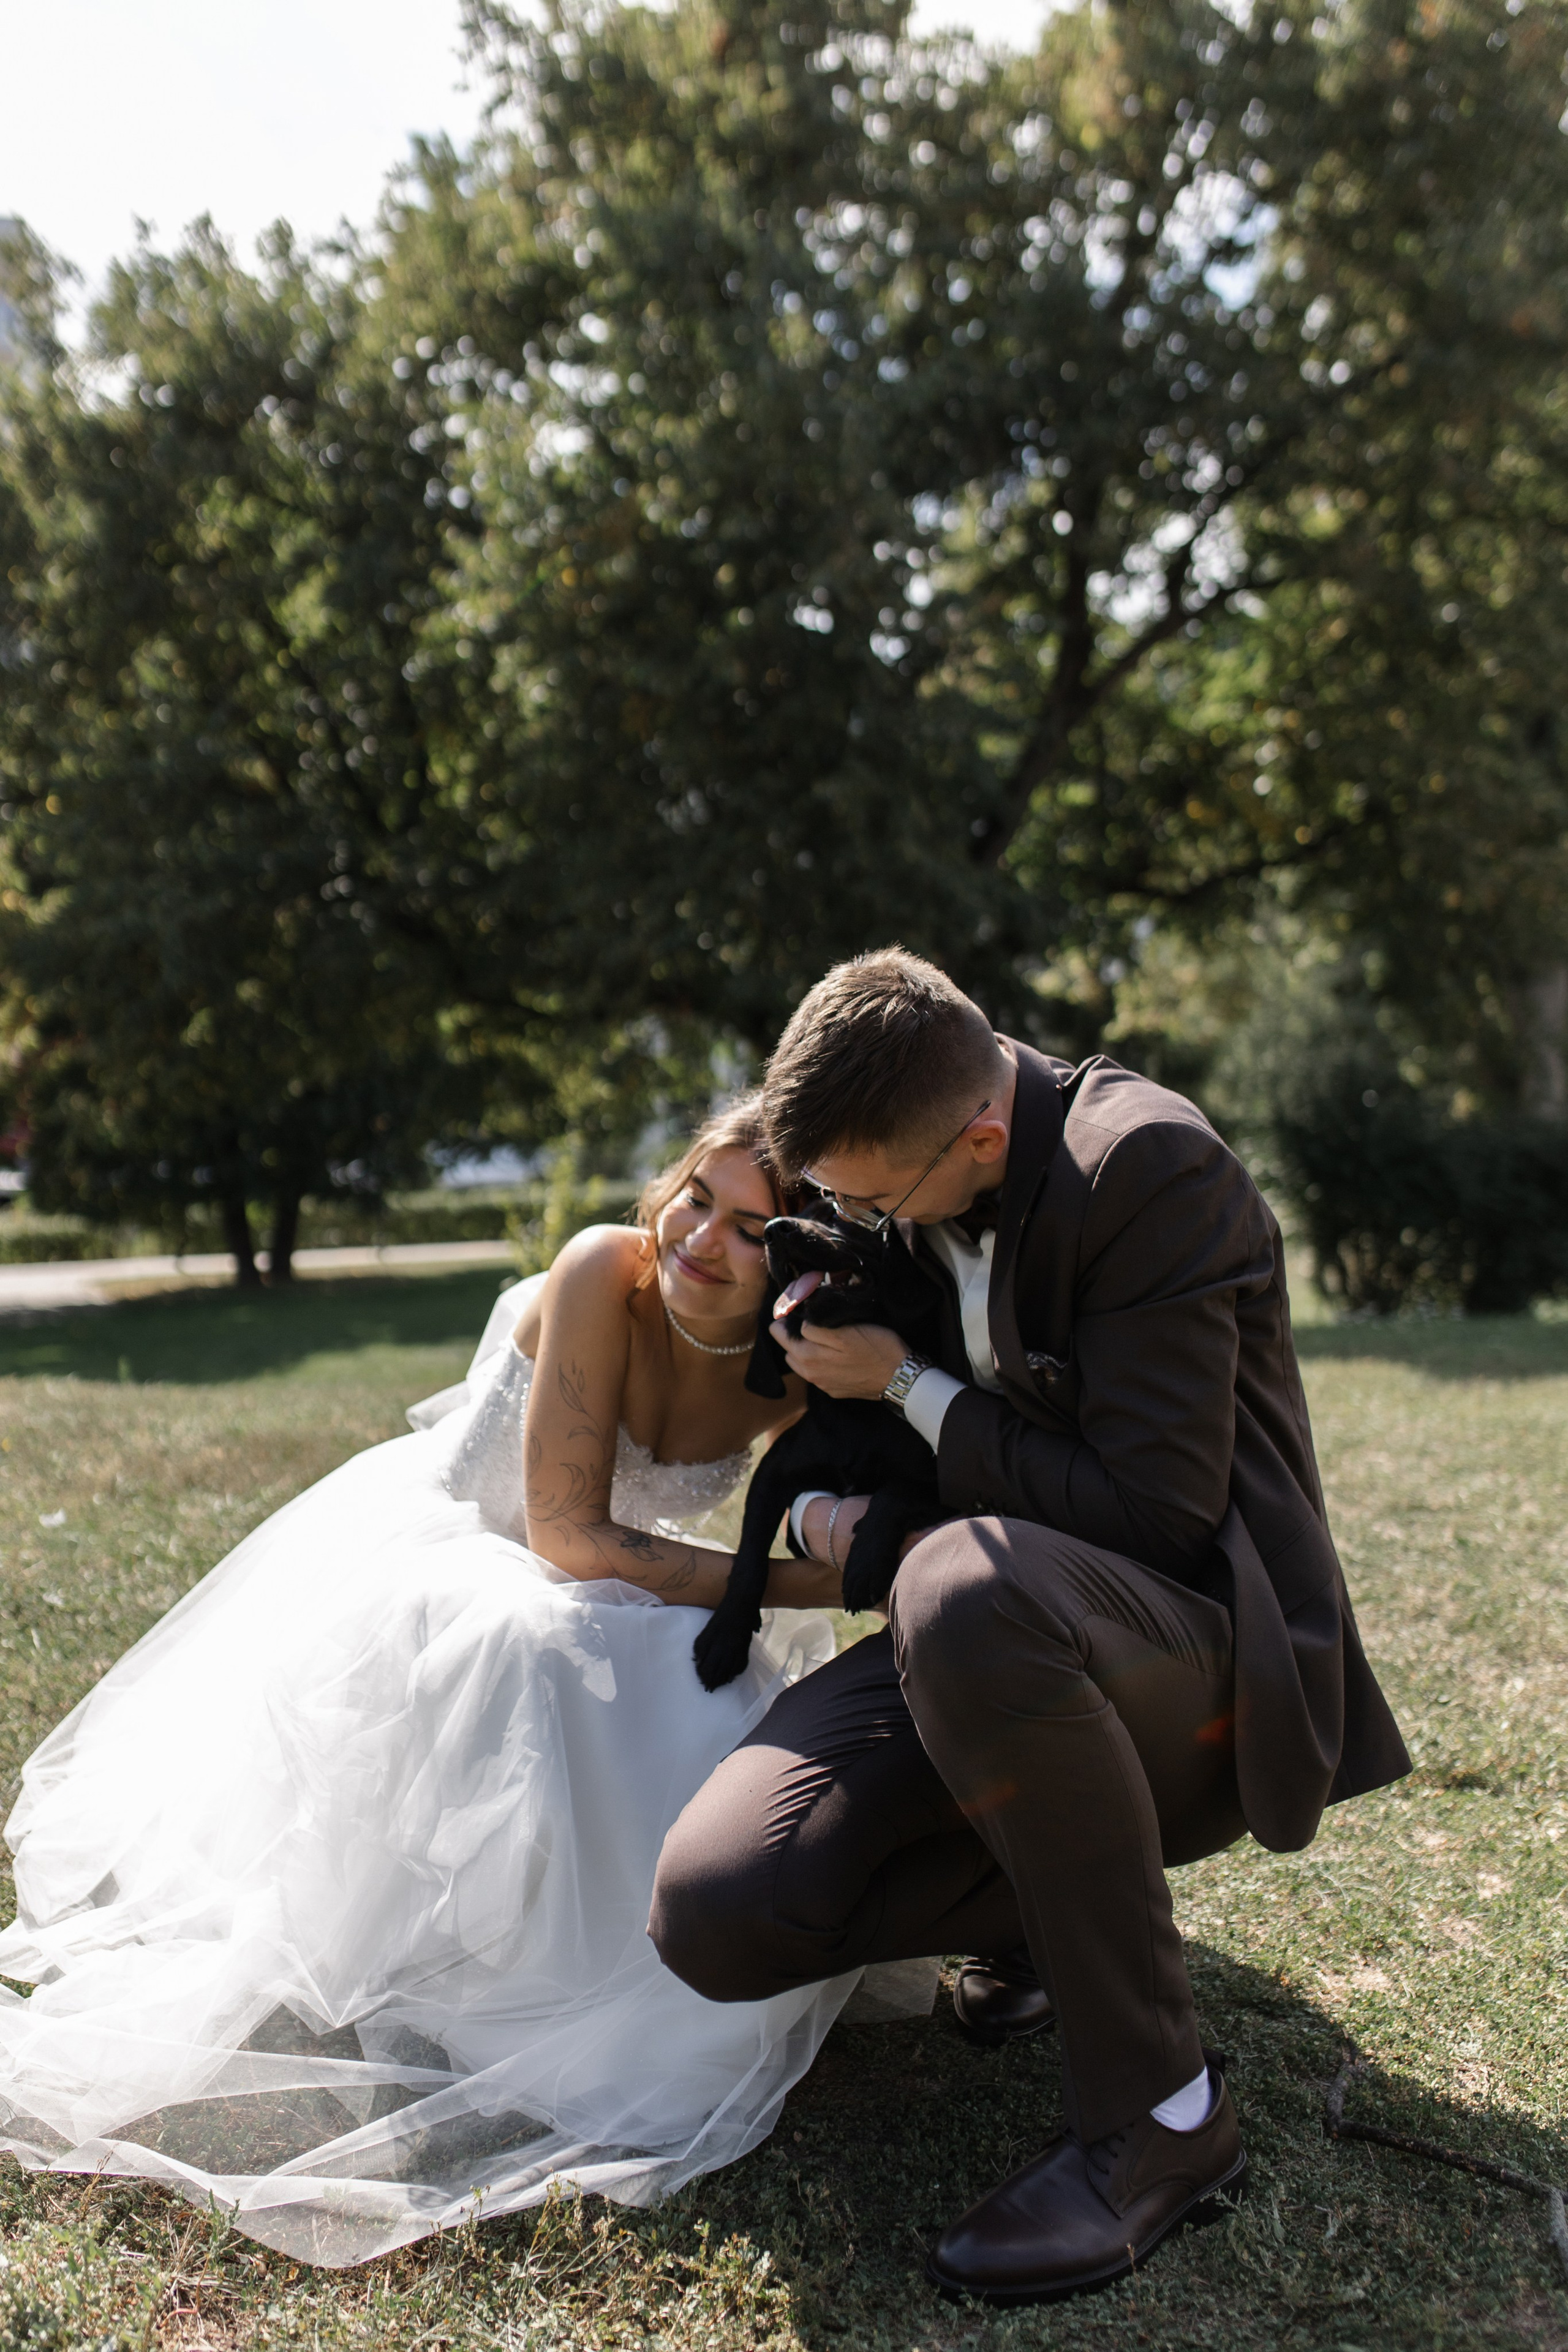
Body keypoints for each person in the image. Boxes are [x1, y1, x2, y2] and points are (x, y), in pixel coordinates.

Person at [649, 949, 1410, 2306]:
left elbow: (1158, 1515)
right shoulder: (911, 1172)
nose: (856, 1222)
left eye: (870, 1200)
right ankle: (1050, 1906)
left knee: (957, 1585)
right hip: (1001, 1629)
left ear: (982, 1134)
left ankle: (1166, 2117)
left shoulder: (1151, 1172)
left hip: (1198, 1654)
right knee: (721, 1905)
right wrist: (826, 1494)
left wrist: (913, 1389)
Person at [0, 1100, 854, 2267]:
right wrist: (802, 1588)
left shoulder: (799, 1369)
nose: (703, 1237)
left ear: (804, 1260)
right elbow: (562, 1536)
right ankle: (481, 1975)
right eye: (697, 1195)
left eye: (754, 1229)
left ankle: (611, 1979)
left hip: (606, 1591)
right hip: (460, 1560)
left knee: (691, 1686)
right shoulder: (608, 1266)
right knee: (545, 1642)